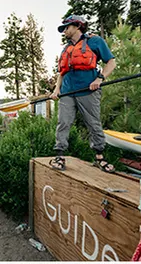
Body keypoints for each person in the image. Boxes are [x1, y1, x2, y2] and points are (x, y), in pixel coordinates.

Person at [49, 15, 117, 173]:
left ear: (77, 26)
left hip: (88, 90)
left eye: (66, 27)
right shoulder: (66, 49)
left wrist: (100, 79)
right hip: (67, 92)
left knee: (93, 124)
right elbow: (62, 73)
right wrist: (56, 89)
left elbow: (111, 62)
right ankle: (59, 155)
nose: (64, 31)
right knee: (63, 122)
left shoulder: (95, 41)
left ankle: (100, 157)